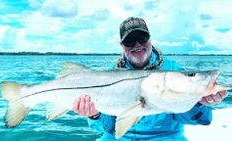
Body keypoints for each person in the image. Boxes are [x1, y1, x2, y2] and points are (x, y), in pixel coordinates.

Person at [73, 17, 228, 141]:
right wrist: (94, 116)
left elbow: (201, 120)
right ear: (122, 45)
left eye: (142, 38)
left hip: (165, 137)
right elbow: (109, 128)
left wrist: (199, 103)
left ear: (150, 39)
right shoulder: (110, 74)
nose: (137, 45)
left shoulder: (173, 69)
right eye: (130, 41)